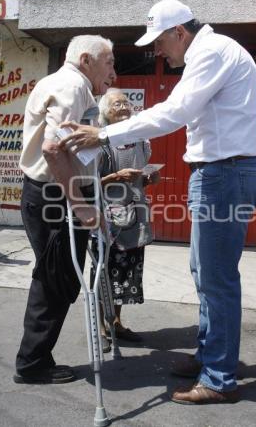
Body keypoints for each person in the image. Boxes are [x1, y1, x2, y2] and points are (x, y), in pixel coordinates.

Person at [59, 0, 256, 403]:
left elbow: (176, 111)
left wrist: (102, 135)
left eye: (159, 42)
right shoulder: (212, 52)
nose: (157, 51)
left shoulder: (211, 52)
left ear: (180, 33)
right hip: (222, 171)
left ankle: (219, 377)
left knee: (217, 279)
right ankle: (212, 355)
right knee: (205, 271)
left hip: (225, 172)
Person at [14, 35, 116, 384]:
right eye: (110, 63)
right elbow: (54, 150)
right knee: (54, 280)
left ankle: (36, 356)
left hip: (50, 193)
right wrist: (83, 206)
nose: (113, 74)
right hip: (57, 198)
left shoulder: (62, 83)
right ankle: (32, 363)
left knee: (54, 277)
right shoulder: (73, 87)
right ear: (87, 59)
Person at [90, 88, 159, 352]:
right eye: (117, 104)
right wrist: (116, 176)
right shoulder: (100, 142)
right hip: (106, 218)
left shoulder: (141, 140)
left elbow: (140, 176)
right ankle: (101, 327)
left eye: (126, 103)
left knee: (125, 274)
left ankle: (116, 322)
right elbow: (88, 183)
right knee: (103, 274)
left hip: (134, 215)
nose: (124, 107)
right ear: (105, 112)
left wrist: (149, 178)